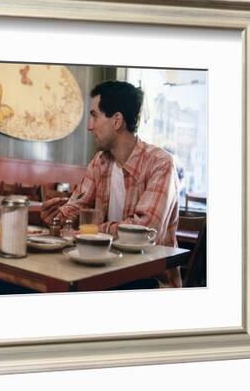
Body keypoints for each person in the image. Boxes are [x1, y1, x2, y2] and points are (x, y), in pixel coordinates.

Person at [41, 81, 181, 287]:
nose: (89, 126)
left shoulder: (160, 164)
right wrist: (57, 217)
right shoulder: (100, 162)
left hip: (150, 281)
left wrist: (93, 229)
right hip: (104, 273)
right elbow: (76, 208)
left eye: (94, 115)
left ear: (116, 121)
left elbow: (144, 232)